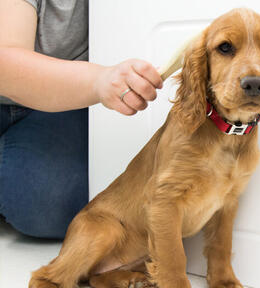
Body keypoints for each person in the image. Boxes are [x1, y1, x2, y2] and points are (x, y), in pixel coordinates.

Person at [0, 0, 163, 239]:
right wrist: (100, 80)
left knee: (49, 204)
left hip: (65, 94)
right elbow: (6, 67)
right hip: (53, 81)